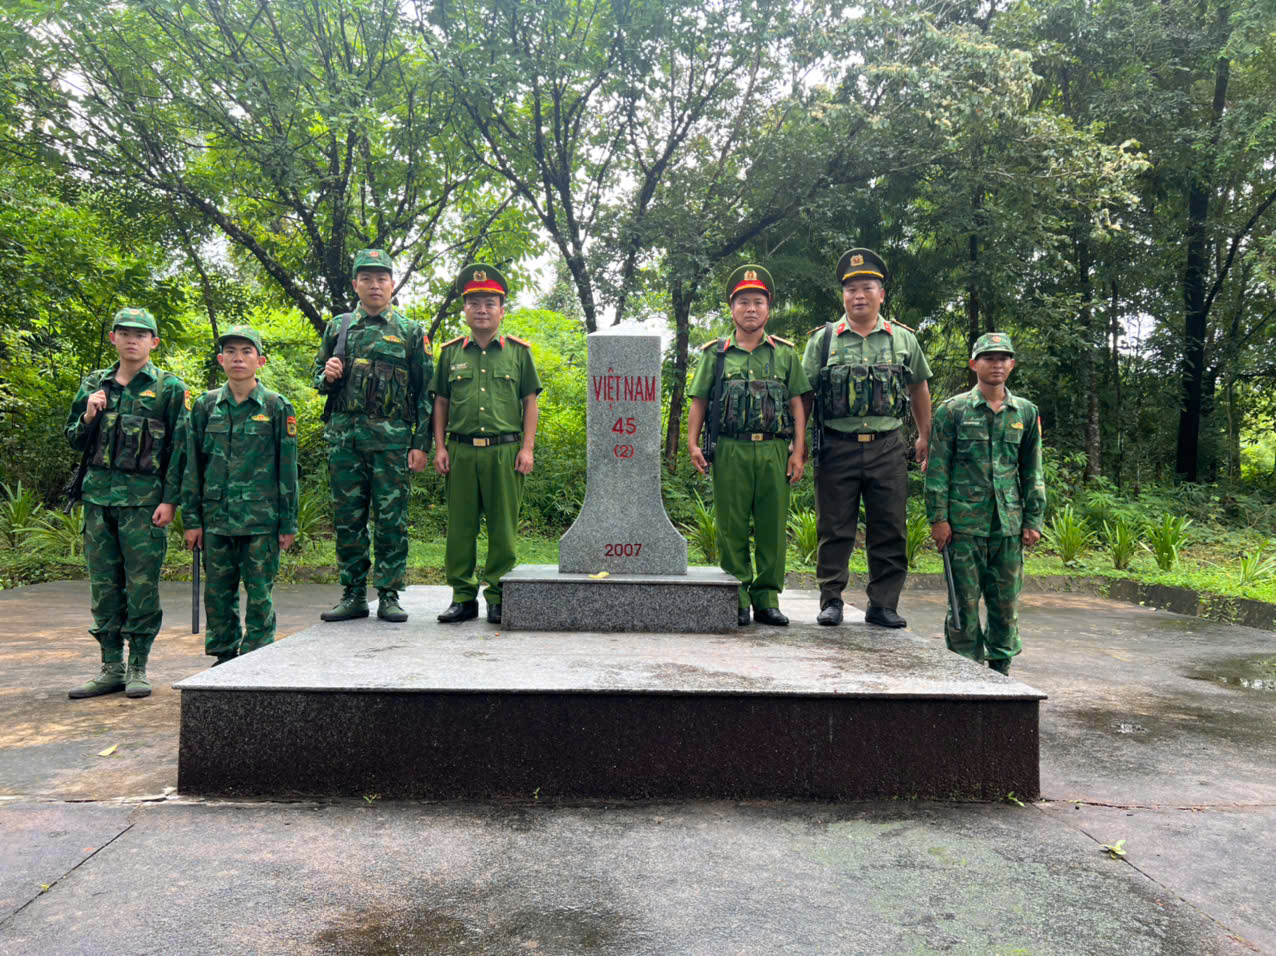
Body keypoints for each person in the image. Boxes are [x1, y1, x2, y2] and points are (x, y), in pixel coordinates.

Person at [802, 248, 933, 628]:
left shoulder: (903, 339)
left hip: (887, 446)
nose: (858, 296)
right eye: (851, 289)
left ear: (881, 294)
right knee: (834, 528)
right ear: (843, 295)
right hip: (836, 445)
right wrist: (799, 443)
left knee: (890, 527)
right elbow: (805, 394)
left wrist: (924, 435)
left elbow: (919, 388)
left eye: (867, 288)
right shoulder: (823, 340)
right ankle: (831, 600)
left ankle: (883, 604)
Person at [65, 307, 189, 699]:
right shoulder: (95, 383)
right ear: (113, 338)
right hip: (98, 500)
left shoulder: (169, 388)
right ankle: (110, 667)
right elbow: (72, 439)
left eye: (140, 334)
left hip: (144, 504)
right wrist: (88, 416)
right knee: (104, 585)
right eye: (124, 333)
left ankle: (138, 666)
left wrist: (170, 501)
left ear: (154, 342)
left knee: (141, 587)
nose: (131, 340)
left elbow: (179, 450)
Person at [313, 249, 432, 623]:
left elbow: (426, 393)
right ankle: (353, 594)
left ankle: (389, 594)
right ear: (355, 284)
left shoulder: (410, 332)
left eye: (382, 278)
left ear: (392, 284)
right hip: (345, 443)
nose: (375, 285)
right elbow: (318, 377)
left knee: (391, 520)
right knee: (348, 520)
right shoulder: (339, 327)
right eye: (367, 278)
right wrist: (327, 375)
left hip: (392, 445)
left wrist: (421, 444)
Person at [687, 265, 811, 626]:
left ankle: (767, 598)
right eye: (743, 302)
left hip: (774, 450)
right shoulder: (716, 355)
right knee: (732, 524)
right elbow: (699, 401)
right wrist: (692, 444)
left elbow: (797, 404)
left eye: (758, 302)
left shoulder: (785, 354)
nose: (751, 309)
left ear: (768, 309)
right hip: (731, 449)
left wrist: (798, 451)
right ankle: (738, 596)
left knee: (773, 526)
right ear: (732, 309)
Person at [925, 332, 1045, 675]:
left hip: (1007, 524)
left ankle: (1001, 670)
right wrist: (938, 518)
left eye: (1003, 358)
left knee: (1005, 604)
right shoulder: (953, 410)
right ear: (973, 364)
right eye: (988, 358)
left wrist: (1033, 519)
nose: (996, 364)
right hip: (963, 525)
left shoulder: (1025, 412)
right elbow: (938, 468)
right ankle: (966, 672)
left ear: (1012, 364)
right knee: (962, 603)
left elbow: (1032, 470)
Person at [183, 325, 299, 665]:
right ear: (221, 360)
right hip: (216, 519)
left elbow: (287, 469)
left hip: (261, 520)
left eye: (247, 352)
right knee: (218, 593)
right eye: (231, 352)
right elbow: (192, 466)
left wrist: (288, 522)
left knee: (260, 593)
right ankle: (223, 658)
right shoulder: (205, 406)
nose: (238, 358)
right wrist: (191, 520)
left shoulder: (277, 407)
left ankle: (257, 658)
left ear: (260, 361)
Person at [431, 264, 540, 625]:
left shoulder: (518, 353)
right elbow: (441, 402)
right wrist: (440, 447)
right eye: (474, 303)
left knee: (502, 529)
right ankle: (463, 597)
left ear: (501, 310)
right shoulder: (450, 353)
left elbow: (530, 402)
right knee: (460, 529)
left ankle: (497, 596)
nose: (482, 310)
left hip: (504, 452)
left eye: (490, 303)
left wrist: (527, 448)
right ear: (464, 309)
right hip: (460, 451)